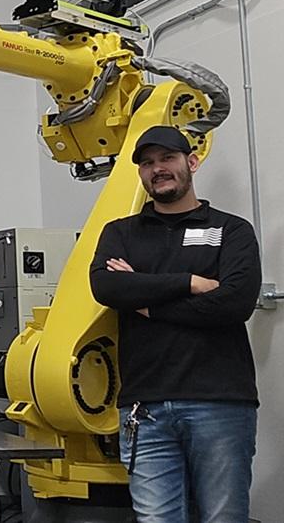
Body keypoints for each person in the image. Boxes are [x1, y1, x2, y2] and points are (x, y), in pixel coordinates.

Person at [89, 125, 261, 523]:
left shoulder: (231, 230)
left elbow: (235, 303)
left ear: (192, 162)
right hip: (144, 407)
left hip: (220, 402)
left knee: (224, 517)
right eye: (147, 163)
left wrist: (149, 303)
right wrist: (190, 283)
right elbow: (107, 286)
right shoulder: (120, 233)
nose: (157, 169)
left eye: (167, 158)